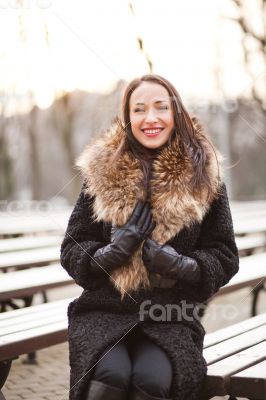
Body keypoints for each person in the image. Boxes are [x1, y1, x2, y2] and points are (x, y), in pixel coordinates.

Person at [60, 74, 239, 400]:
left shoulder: (205, 175)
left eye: (161, 107)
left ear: (176, 113)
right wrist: (110, 254)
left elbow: (225, 253)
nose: (151, 118)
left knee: (152, 380)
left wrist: (182, 265)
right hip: (105, 310)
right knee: (109, 377)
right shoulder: (101, 172)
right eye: (139, 109)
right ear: (128, 118)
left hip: (172, 316)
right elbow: (72, 247)